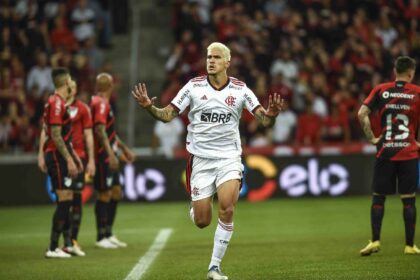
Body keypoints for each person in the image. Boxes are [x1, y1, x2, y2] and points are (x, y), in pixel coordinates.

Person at [132, 42, 284, 280]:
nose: (210, 61)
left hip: (229, 158)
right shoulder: (193, 87)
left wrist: (272, 116)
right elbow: (167, 115)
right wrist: (150, 107)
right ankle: (196, 206)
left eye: (215, 57)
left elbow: (263, 120)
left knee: (227, 207)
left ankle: (214, 267)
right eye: (208, 57)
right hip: (201, 160)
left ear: (227, 62)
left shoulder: (240, 89)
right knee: (203, 221)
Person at [358, 56, 420, 256]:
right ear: (411, 73)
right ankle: (410, 246)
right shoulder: (418, 93)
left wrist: (372, 138)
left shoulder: (381, 90)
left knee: (378, 198)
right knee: (408, 200)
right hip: (409, 153)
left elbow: (361, 114)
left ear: (395, 71)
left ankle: (375, 241)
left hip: (385, 152)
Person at [38, 79, 95, 257]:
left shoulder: (82, 108)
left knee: (75, 201)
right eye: (71, 83)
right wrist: (40, 154)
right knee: (64, 200)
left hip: (78, 157)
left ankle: (71, 242)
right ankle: (57, 244)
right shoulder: (56, 105)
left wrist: (90, 159)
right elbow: (46, 131)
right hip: (61, 156)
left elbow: (88, 135)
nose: (73, 87)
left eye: (75, 84)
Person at [90, 72, 135, 249]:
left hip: (110, 153)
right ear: (109, 86)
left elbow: (110, 133)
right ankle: (101, 236)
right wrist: (110, 154)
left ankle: (108, 233)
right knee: (104, 194)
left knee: (116, 191)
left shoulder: (102, 103)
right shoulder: (100, 103)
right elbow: (100, 131)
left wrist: (124, 149)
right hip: (102, 156)